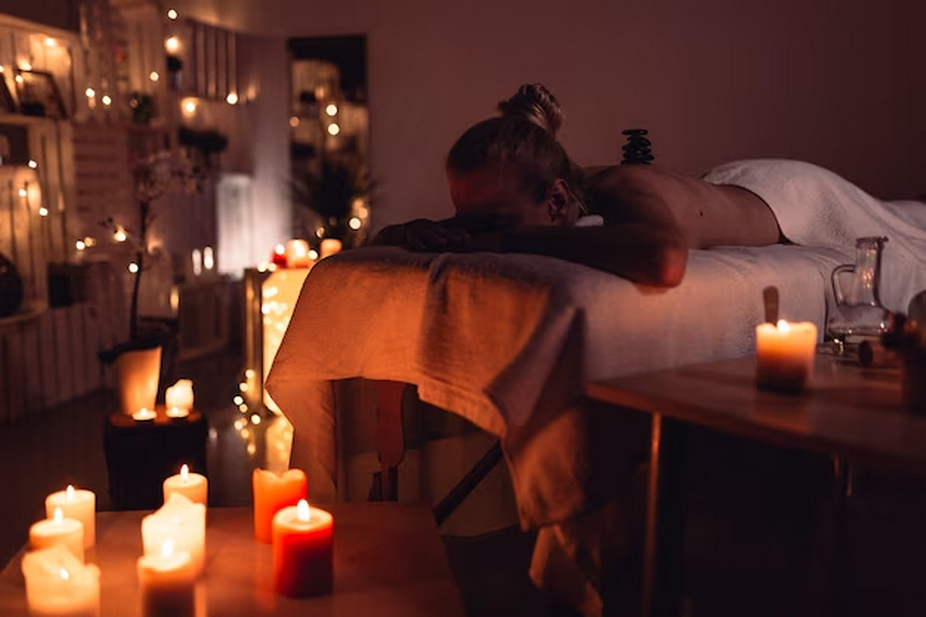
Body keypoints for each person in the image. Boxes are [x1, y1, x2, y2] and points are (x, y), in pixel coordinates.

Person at [371, 83, 782, 287]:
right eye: (471, 219)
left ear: (556, 200)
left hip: (785, 196)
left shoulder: (625, 188)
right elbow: (382, 240)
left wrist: (506, 241)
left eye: (494, 222)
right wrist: (415, 230)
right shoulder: (516, 204)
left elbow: (664, 262)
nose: (483, 232)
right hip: (714, 186)